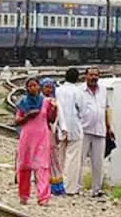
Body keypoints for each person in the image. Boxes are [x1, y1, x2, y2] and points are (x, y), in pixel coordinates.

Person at [15, 78, 57, 206]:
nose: (33, 88)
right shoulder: (23, 103)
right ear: (27, 88)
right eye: (30, 86)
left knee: (43, 167)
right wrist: (28, 116)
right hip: (27, 138)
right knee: (24, 167)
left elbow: (50, 119)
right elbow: (17, 120)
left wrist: (55, 109)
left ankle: (43, 197)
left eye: (35, 85)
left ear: (39, 87)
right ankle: (23, 195)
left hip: (41, 138)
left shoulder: (45, 102)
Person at [79, 67, 114, 197]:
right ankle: (77, 187)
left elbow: (106, 109)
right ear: (86, 76)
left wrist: (109, 127)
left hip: (100, 130)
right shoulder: (79, 91)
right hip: (83, 130)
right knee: (79, 160)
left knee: (98, 161)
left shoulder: (103, 91)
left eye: (96, 75)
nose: (94, 77)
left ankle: (97, 189)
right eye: (91, 75)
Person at [55, 67, 83, 195]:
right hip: (75, 127)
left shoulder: (58, 90)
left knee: (60, 156)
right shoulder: (78, 91)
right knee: (73, 158)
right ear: (77, 78)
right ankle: (70, 187)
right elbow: (81, 109)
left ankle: (57, 184)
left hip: (60, 127)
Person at [40, 78, 65, 196]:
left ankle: (54, 184)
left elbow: (52, 119)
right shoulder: (38, 100)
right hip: (37, 133)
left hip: (49, 132)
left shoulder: (53, 101)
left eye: (51, 87)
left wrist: (54, 109)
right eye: (47, 87)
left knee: (53, 157)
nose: (49, 89)